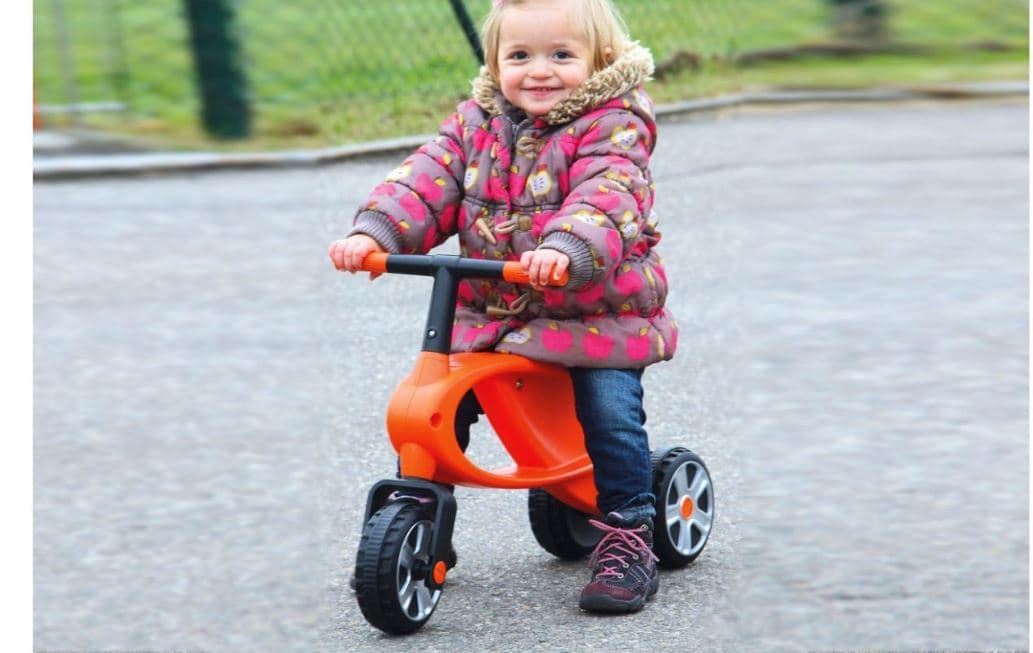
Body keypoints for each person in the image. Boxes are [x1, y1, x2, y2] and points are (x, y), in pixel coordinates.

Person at [329, 0, 678, 614]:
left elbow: (610, 190)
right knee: (437, 404)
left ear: (598, 61)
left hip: (594, 313)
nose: (538, 72)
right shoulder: (477, 121)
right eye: (519, 56)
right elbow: (426, 179)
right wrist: (377, 233)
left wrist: (566, 247)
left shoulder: (614, 122)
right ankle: (421, 512)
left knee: (608, 409)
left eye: (561, 56)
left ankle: (629, 530)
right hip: (492, 309)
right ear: (495, 62)